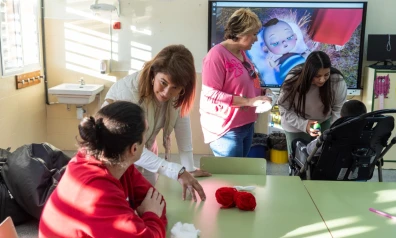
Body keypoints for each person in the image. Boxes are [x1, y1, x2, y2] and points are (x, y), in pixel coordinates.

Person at [39, 101, 167, 238]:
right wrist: (151, 215)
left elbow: (157, 202)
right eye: (145, 133)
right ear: (134, 149)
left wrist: (147, 217)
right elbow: (153, 216)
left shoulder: (113, 162)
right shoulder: (97, 191)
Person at [104, 45, 210, 202]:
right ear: (153, 73)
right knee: (121, 202)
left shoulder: (177, 95)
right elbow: (129, 148)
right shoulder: (127, 93)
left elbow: (182, 127)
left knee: (149, 198)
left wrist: (188, 167)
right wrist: (176, 171)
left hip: (145, 149)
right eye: (163, 83)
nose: (167, 93)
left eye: (175, 88)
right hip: (116, 156)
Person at [200, 8, 273, 157]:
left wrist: (263, 93)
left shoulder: (242, 53)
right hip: (227, 128)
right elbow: (211, 95)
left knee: (240, 174)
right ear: (241, 33)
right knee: (230, 178)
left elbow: (245, 81)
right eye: (254, 34)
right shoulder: (216, 56)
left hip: (246, 124)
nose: (256, 39)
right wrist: (249, 101)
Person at [277, 51, 348, 155]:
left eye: (326, 74)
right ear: (308, 73)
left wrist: (334, 131)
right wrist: (304, 125)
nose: (322, 79)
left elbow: (338, 109)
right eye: (317, 76)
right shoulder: (293, 80)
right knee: (299, 161)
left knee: (322, 159)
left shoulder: (337, 81)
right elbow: (284, 109)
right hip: (296, 124)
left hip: (323, 122)